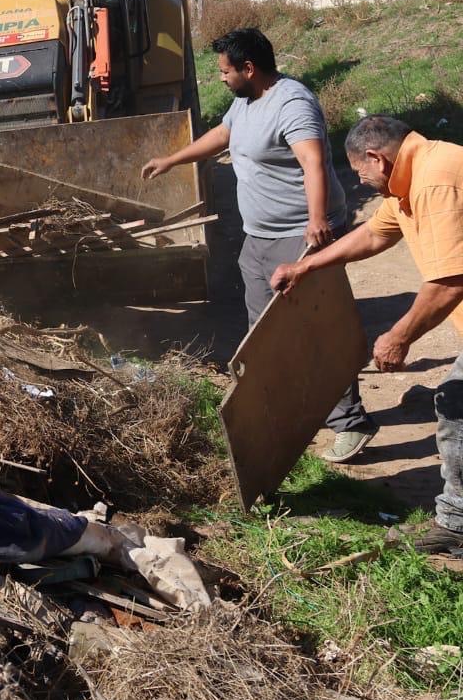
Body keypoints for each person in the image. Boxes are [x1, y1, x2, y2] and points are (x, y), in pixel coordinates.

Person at [142, 27, 376, 461]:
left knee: (315, 328)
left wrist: (316, 221)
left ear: (249, 68)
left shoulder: (292, 103)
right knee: (262, 333)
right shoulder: (245, 101)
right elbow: (223, 135)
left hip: (300, 237)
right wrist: (173, 160)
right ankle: (286, 413)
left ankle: (351, 422)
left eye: (225, 71)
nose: (220, 78)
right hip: (259, 237)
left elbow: (312, 163)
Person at [271, 116, 463, 555]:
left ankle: (456, 525)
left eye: (360, 172)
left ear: (377, 157)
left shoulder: (434, 181)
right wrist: (306, 266)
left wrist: (399, 336)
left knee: (456, 405)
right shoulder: (411, 177)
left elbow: (450, 282)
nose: (361, 182)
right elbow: (375, 234)